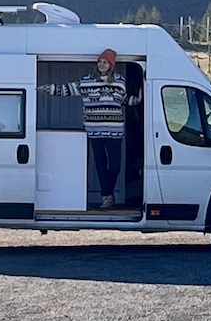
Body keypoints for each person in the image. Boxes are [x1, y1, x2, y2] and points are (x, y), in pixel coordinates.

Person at [40, 50, 141, 209]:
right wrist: (47, 88)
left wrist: (140, 97)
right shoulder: (87, 82)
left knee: (115, 165)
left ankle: (108, 193)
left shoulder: (120, 82)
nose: (101, 64)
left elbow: (124, 100)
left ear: (111, 65)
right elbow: (67, 89)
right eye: (100, 61)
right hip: (94, 129)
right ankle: (107, 197)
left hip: (115, 130)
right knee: (100, 163)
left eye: (105, 62)